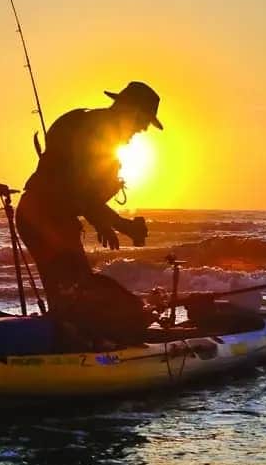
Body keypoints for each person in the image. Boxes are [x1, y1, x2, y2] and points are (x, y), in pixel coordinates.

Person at [16, 81, 162, 347]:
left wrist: (104, 222)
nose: (141, 130)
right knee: (74, 290)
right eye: (142, 122)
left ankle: (71, 341)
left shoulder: (89, 126)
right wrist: (123, 226)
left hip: (48, 217)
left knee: (72, 290)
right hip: (44, 218)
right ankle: (73, 347)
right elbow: (81, 192)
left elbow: (81, 193)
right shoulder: (97, 137)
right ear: (130, 111)